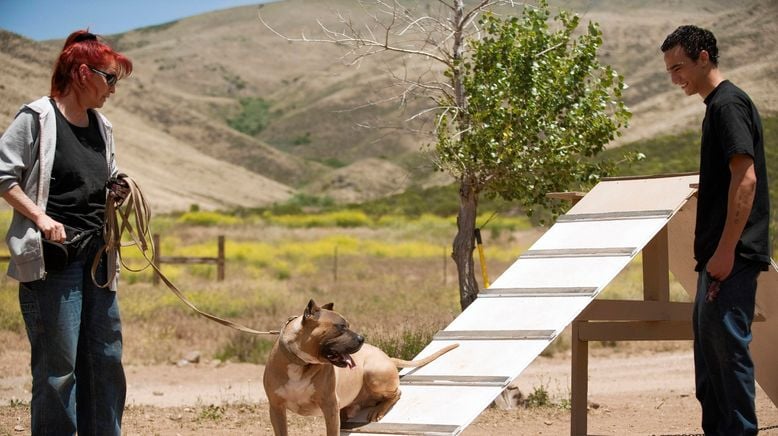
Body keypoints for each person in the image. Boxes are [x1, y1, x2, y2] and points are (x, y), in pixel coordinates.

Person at [0, 30, 132, 435]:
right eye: (109, 78)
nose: (112, 89)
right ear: (81, 73)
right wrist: (40, 218)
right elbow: (4, 176)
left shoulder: (102, 125)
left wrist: (117, 189)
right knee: (59, 369)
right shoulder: (37, 117)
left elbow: (99, 178)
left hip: (99, 261)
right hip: (54, 263)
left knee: (105, 360)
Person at [661, 25, 771, 435]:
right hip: (717, 256)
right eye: (669, 71)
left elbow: (746, 178)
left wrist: (726, 250)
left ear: (704, 56)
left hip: (732, 256)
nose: (675, 79)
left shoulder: (728, 104)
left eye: (679, 68)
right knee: (711, 363)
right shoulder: (716, 106)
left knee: (727, 356)